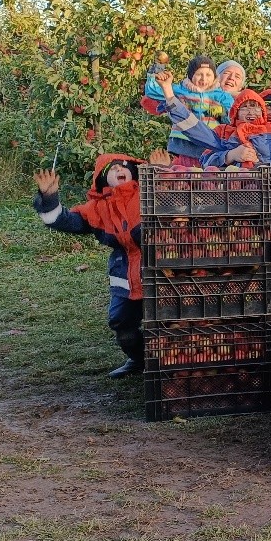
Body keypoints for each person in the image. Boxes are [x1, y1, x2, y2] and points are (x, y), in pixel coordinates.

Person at [33, 148, 171, 377]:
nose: (119, 169)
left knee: (170, 320)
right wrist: (49, 198)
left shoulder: (149, 191)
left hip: (160, 268)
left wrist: (163, 173)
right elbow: (60, 220)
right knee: (121, 323)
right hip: (124, 273)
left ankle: (172, 364)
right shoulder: (97, 209)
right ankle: (139, 360)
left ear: (133, 171)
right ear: (102, 178)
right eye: (111, 168)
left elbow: (177, 200)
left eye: (123, 166)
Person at [154, 52, 271, 167]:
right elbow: (194, 130)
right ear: (235, 112)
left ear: (263, 112)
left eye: (255, 107)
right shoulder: (224, 134)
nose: (250, 112)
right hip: (235, 203)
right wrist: (230, 155)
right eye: (244, 108)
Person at [141, 55, 235, 167]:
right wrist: (156, 71)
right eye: (199, 74)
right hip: (185, 142)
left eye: (208, 75)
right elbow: (153, 91)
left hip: (210, 142)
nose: (204, 79)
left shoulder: (221, 96)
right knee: (186, 173)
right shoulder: (181, 91)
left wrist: (216, 111)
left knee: (208, 174)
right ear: (191, 76)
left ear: (214, 76)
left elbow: (231, 116)